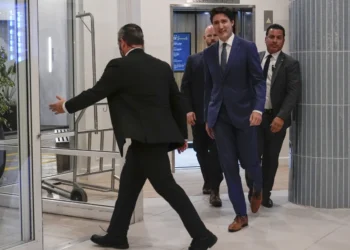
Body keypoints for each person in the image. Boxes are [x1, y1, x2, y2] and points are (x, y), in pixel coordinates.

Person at [49, 23, 217, 250]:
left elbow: (95, 93)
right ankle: (117, 235)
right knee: (128, 187)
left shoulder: (119, 66)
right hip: (147, 141)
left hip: (145, 142)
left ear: (122, 43)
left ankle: (202, 235)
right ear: (142, 41)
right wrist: (180, 137)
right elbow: (176, 101)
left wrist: (65, 106)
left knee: (167, 188)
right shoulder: (162, 67)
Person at [203, 7, 266, 232]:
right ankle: (241, 214)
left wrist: (258, 109)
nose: (220, 26)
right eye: (216, 22)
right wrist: (208, 118)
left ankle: (257, 188)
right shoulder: (209, 53)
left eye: (224, 22)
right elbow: (209, 88)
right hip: (220, 118)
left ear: (232, 23)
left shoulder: (247, 48)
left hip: (246, 116)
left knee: (251, 163)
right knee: (228, 167)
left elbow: (259, 81)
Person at [245, 24, 301, 208]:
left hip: (275, 119)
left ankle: (265, 194)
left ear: (283, 40)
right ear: (265, 38)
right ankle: (254, 189)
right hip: (255, 117)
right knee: (251, 156)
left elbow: (293, 93)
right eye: (271, 36)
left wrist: (281, 117)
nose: (275, 40)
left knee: (270, 159)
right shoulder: (257, 58)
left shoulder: (291, 64)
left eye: (279, 37)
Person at [181, 25, 223, 207]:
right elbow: (185, 87)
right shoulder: (193, 60)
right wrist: (188, 110)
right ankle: (208, 180)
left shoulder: (225, 60)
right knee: (199, 150)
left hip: (220, 116)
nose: (212, 38)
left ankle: (215, 189)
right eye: (209, 35)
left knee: (216, 153)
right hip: (198, 115)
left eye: (215, 35)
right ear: (204, 38)